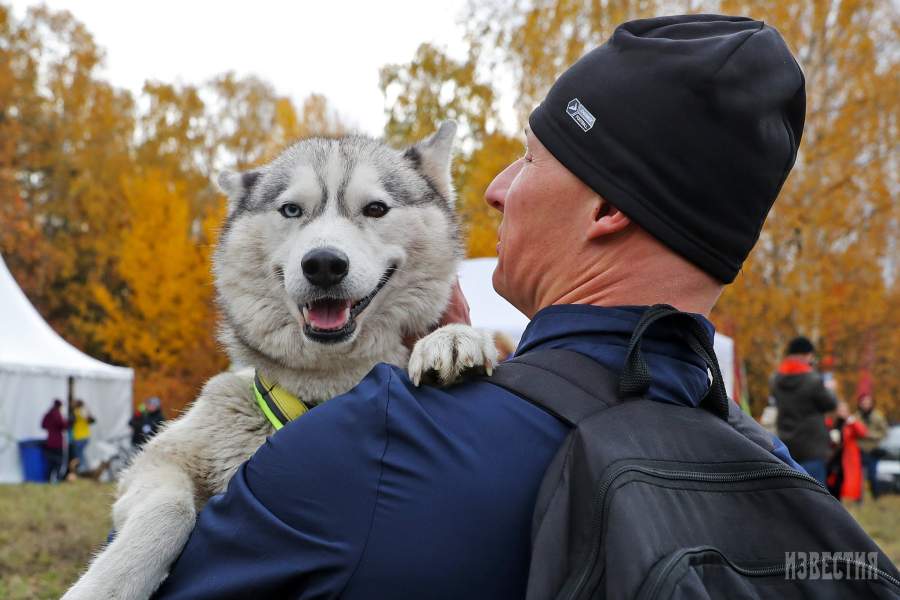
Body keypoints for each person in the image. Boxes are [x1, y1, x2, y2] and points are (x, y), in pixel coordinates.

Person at [155, 15, 806, 598]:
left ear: (607, 211)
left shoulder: (372, 447)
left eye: (528, 161)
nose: (496, 191)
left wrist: (438, 406)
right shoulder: (790, 489)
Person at [771, 336, 837, 485]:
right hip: (813, 447)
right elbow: (830, 404)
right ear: (806, 355)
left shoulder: (775, 379)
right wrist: (830, 389)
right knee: (817, 494)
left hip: (787, 445)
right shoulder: (812, 379)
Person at [825, 401, 868, 502]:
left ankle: (842, 504)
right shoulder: (831, 422)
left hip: (847, 459)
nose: (842, 412)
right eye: (840, 410)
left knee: (844, 484)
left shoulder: (850, 423)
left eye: (844, 410)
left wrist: (852, 421)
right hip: (832, 457)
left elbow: (863, 432)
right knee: (830, 482)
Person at [856, 392, 888, 500]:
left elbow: (884, 432)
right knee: (858, 477)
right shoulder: (856, 417)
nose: (865, 404)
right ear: (859, 403)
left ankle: (876, 497)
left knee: (872, 476)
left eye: (868, 402)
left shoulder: (878, 416)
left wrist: (870, 435)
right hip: (859, 450)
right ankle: (858, 499)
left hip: (873, 451)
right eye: (863, 402)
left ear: (871, 403)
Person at [41, 399, 69, 483]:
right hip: (57, 442)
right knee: (59, 462)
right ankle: (58, 479)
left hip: (49, 442)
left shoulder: (48, 414)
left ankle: (48, 480)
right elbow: (63, 425)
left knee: (50, 463)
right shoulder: (57, 414)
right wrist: (69, 422)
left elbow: (43, 425)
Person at [70, 399, 95, 474]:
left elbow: (89, 420)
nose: (72, 404)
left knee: (79, 454)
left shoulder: (77, 411)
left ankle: (84, 469)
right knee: (81, 453)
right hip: (85, 436)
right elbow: (91, 420)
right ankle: (85, 468)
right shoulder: (84, 411)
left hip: (80, 437)